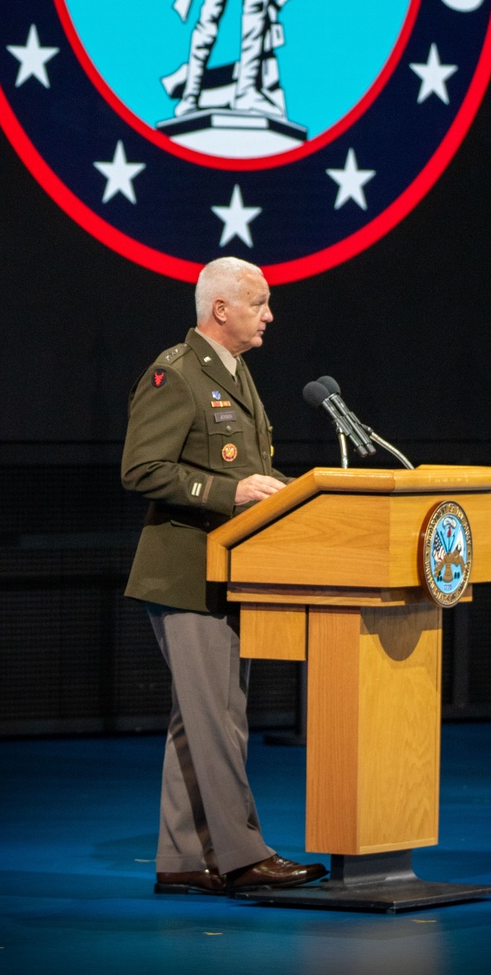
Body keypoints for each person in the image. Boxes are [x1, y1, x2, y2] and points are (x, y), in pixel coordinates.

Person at [121, 256, 326, 895]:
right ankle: (243, 857)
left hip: (228, 574)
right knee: (218, 721)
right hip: (186, 577)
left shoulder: (235, 375)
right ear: (221, 309)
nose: (269, 314)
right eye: (259, 302)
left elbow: (252, 471)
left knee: (203, 718)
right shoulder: (175, 375)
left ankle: (183, 858)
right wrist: (230, 493)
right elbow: (141, 470)